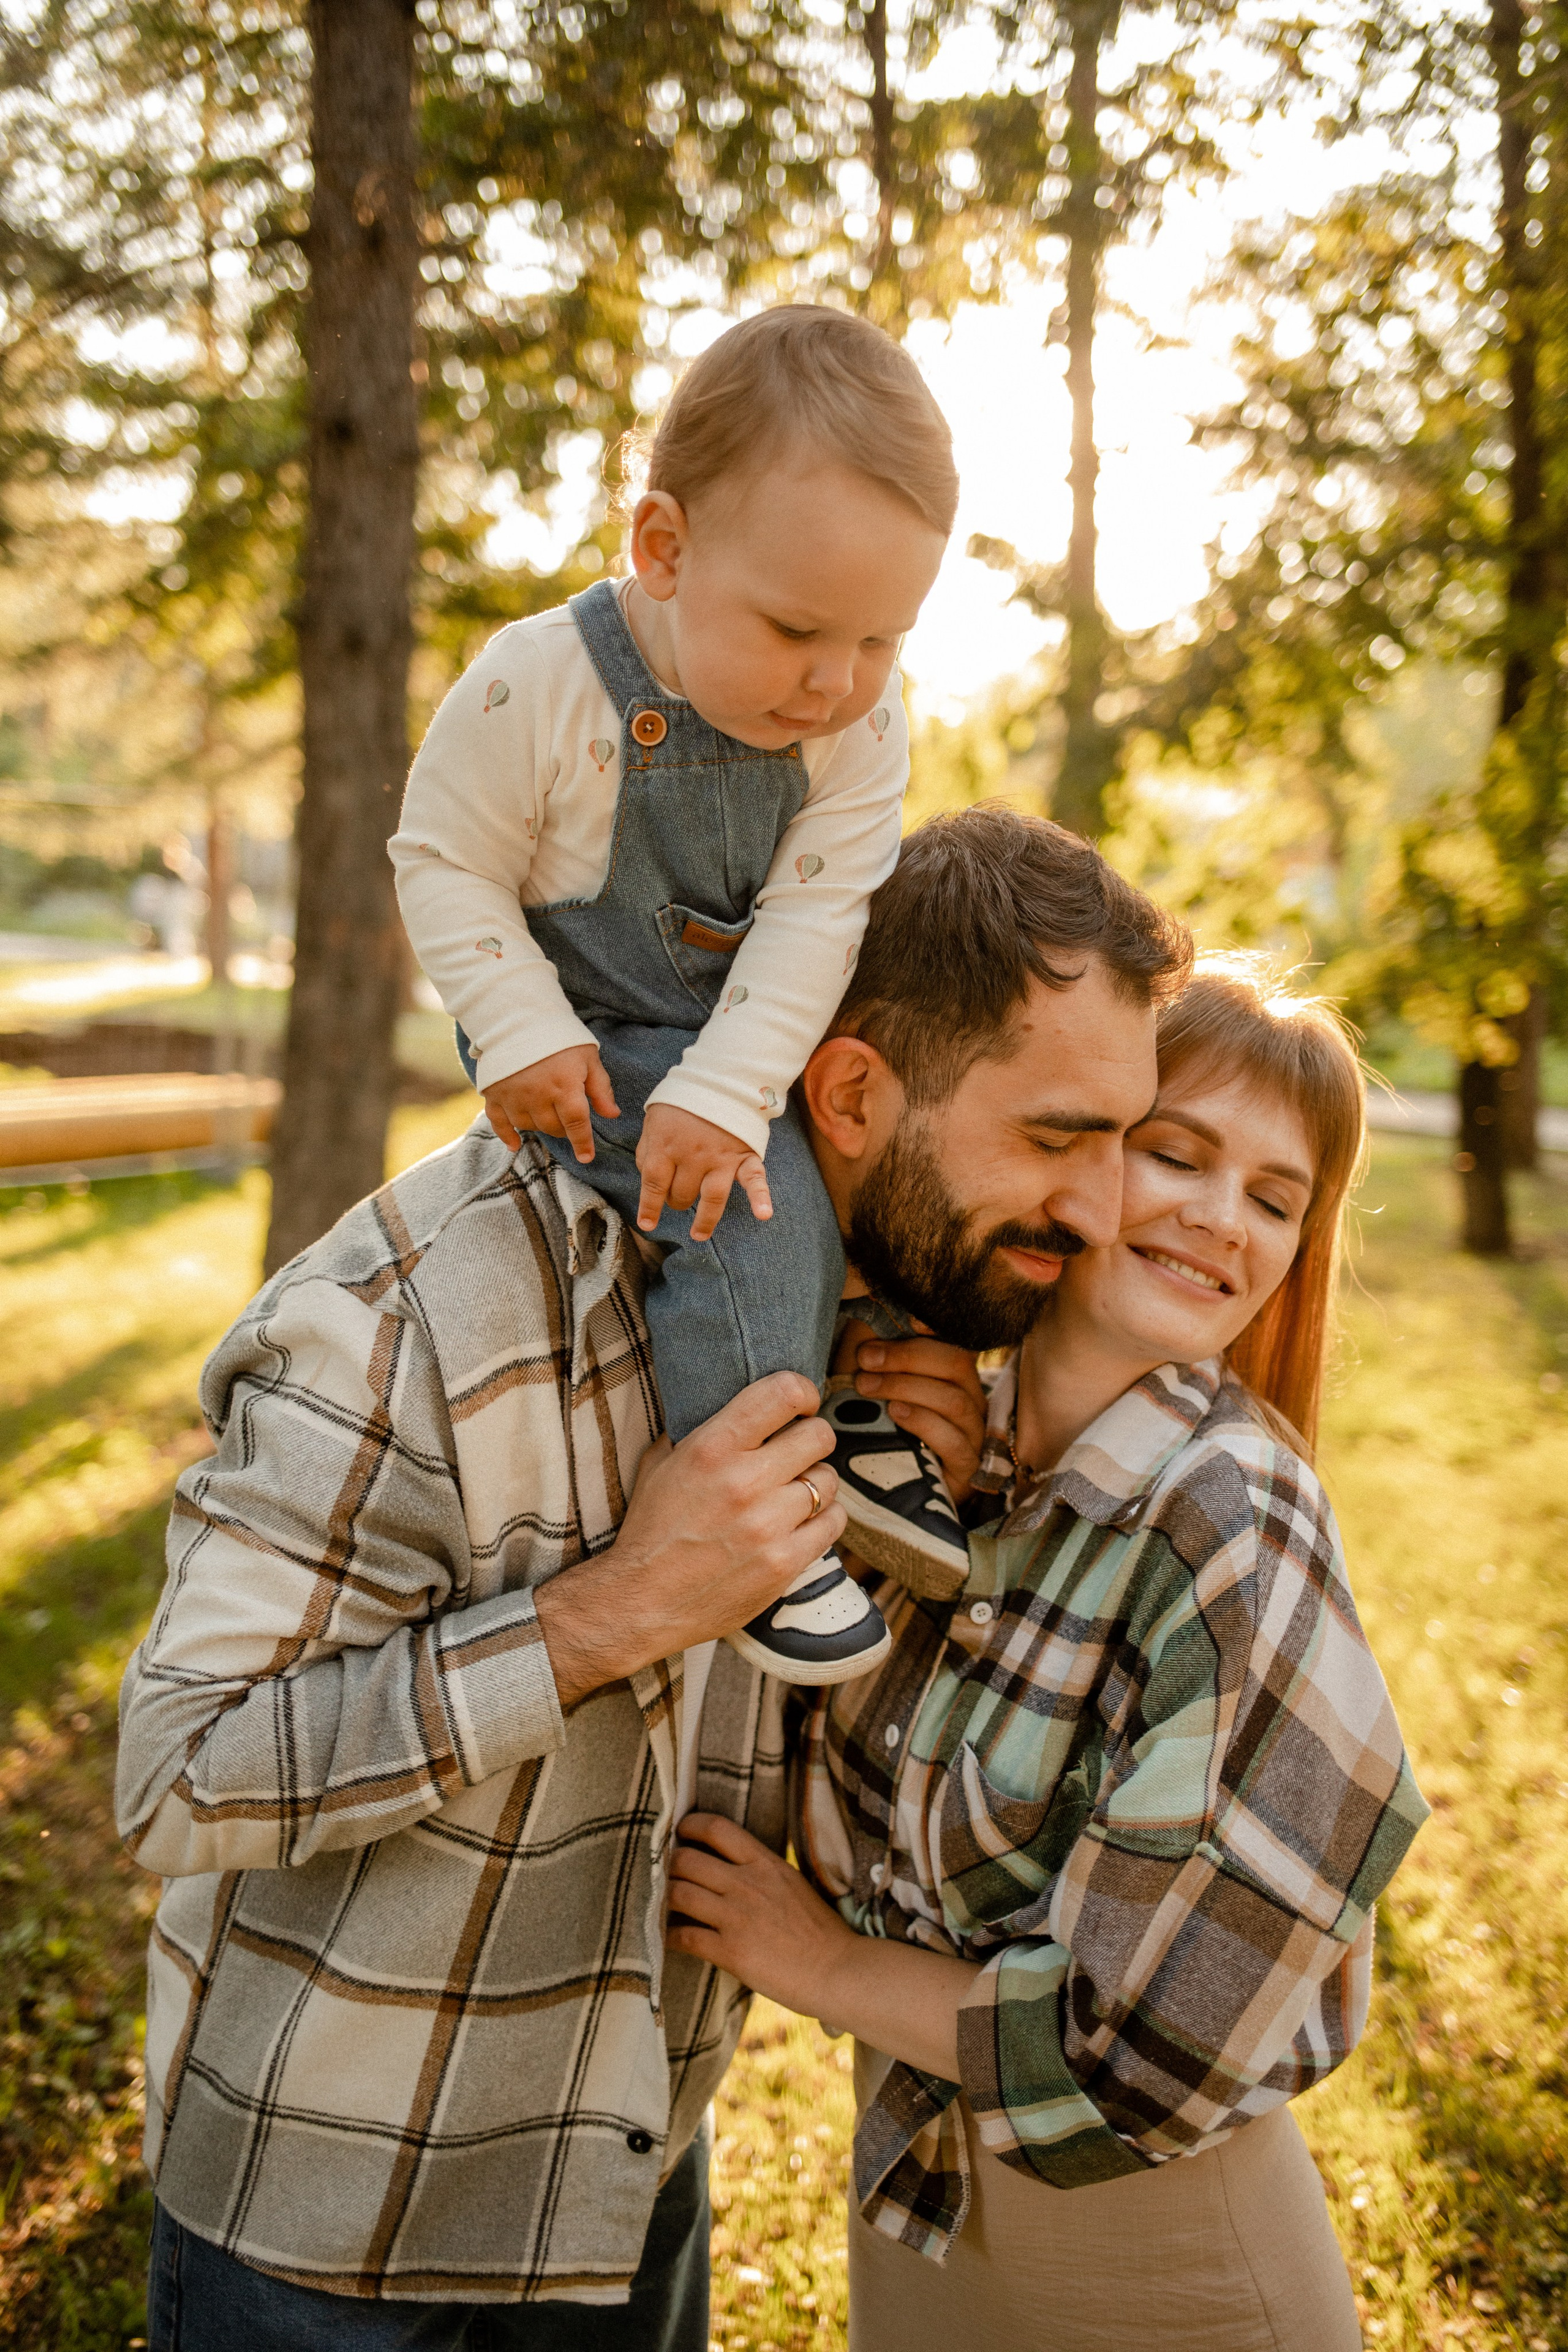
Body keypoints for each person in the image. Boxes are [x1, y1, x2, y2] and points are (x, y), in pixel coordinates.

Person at [116, 806, 1188, 2348]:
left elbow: (811, 1773)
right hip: (331, 2231)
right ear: (851, 1090)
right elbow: (179, 1776)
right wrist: (611, 1609)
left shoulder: (886, 1343)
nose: (1097, 1215)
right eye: (1054, 1140)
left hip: (629, 2187)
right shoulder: (415, 1317)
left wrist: (903, 1528)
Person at [668, 954, 1430, 2352]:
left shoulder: (1231, 1532)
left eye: (1272, 1199)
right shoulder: (942, 1445)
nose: (1220, 1220)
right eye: (1176, 1156)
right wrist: (927, 1499)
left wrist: (821, 1965)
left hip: (1157, 2259)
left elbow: (1147, 2058)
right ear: (1074, 1167)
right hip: (919, 2210)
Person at [393, 304, 964, 1686]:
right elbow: (444, 859)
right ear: (663, 546)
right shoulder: (537, 684)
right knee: (741, 1198)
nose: (838, 682)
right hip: (581, 1039)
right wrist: (525, 1035)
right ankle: (762, 1512)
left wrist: (729, 1081)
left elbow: (819, 911)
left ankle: (849, 1393)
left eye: (881, 641)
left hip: (738, 1029)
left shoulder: (855, 723)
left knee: (877, 1127)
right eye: (795, 631)